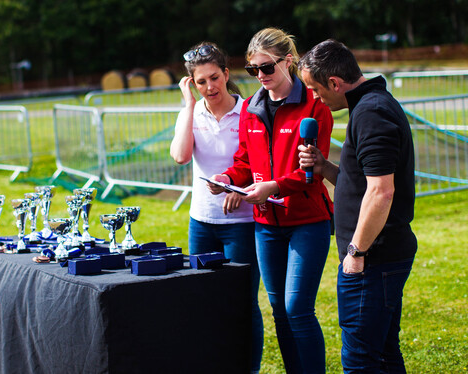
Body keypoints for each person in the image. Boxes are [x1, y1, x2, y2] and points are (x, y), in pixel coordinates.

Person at [207, 28, 334, 373]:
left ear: (288, 61)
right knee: (278, 309)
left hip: (308, 221)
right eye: (253, 70)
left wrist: (274, 187)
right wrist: (227, 180)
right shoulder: (251, 108)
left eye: (266, 68)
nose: (260, 76)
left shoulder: (314, 104)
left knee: (297, 308)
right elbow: (245, 162)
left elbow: (313, 173)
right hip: (265, 225)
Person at [297, 39, 417, 373]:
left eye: (315, 88)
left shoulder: (371, 112)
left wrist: (356, 253)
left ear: (334, 83)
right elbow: (365, 184)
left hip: (373, 258)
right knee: (383, 353)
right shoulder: (370, 105)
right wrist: (325, 168)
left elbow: (381, 193)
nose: (314, 97)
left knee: (361, 360)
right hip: (379, 256)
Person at [169, 42, 264, 373]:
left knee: (242, 302)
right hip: (202, 222)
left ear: (226, 74)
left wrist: (240, 188)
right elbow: (181, 156)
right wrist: (188, 105)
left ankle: (247, 368)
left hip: (242, 222)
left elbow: (259, 161)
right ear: (192, 84)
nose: (210, 87)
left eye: (214, 78)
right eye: (200, 82)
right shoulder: (192, 112)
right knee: (203, 299)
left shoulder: (250, 111)